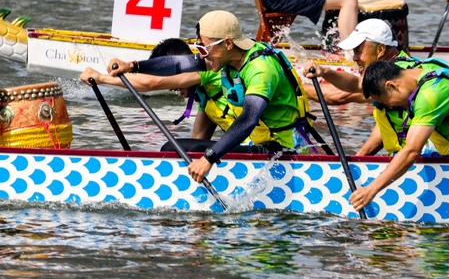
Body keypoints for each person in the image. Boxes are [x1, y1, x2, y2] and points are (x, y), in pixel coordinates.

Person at [106, 11, 326, 183]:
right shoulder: (227, 58)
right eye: (199, 48)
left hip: (283, 151)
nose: (201, 55)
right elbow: (178, 63)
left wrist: (209, 158)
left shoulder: (261, 69)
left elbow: (248, 119)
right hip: (261, 143)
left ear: (228, 43)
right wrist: (132, 66)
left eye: (204, 48)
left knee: (174, 149)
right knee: (174, 147)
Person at [350, 58, 449, 212]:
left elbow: (412, 151)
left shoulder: (431, 94)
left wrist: (371, 190)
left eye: (385, 101)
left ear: (391, 86)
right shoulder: (418, 69)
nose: (389, 107)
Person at [80, 38, 278, 152]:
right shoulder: (206, 95)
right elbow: (198, 137)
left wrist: (102, 78)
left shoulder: (209, 71)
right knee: (180, 147)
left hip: (269, 150)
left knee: (170, 148)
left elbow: (152, 83)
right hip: (251, 149)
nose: (171, 88)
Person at [303, 18, 405, 105]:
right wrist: (324, 72)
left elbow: (340, 95)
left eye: (358, 51)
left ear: (380, 50)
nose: (354, 58)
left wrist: (299, 87)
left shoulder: (393, 75)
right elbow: (356, 84)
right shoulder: (397, 63)